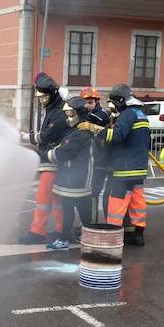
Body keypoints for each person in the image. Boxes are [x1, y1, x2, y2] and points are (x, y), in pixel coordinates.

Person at [80, 84, 150, 246]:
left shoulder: (127, 114)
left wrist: (93, 128)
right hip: (139, 167)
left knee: (116, 202)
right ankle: (138, 235)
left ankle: (112, 236)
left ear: (120, 100)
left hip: (125, 168)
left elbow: (116, 136)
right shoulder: (140, 114)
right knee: (137, 202)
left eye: (114, 103)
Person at [19, 73, 70, 244]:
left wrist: (26, 137)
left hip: (53, 161)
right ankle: (60, 230)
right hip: (54, 160)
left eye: (44, 97)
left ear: (52, 95)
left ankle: (37, 232)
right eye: (40, 97)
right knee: (57, 199)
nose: (41, 100)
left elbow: (48, 135)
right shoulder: (54, 108)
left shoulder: (59, 112)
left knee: (43, 197)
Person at [43, 96, 95, 250]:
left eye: (71, 114)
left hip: (79, 179)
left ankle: (87, 238)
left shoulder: (82, 133)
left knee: (82, 211)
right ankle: (67, 238)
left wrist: (46, 155)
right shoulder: (75, 131)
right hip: (70, 177)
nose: (68, 117)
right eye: (67, 114)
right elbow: (63, 147)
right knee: (68, 209)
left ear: (80, 114)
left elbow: (65, 152)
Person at [81, 86, 111, 221]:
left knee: (93, 192)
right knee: (90, 192)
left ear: (96, 101)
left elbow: (98, 121)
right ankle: (90, 222)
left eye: (90, 102)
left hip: (101, 160)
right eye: (85, 103)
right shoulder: (92, 114)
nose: (87, 106)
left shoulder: (100, 115)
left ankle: (91, 223)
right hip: (93, 158)